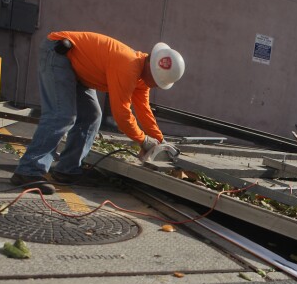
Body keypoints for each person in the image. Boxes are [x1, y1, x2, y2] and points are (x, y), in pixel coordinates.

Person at [10, 31, 185, 195]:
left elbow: (144, 110)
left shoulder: (142, 78)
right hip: (59, 53)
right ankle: (29, 171)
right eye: (156, 79)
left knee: (92, 116)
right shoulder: (128, 66)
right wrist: (143, 140)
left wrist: (161, 141)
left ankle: (67, 170)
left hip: (77, 69)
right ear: (150, 66)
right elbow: (122, 116)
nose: (155, 85)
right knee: (62, 115)